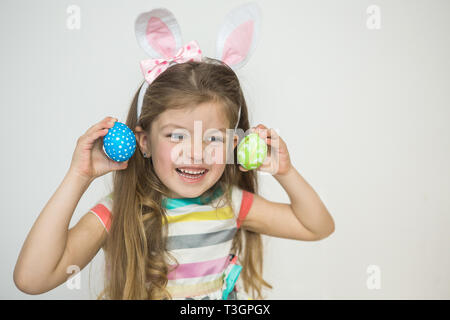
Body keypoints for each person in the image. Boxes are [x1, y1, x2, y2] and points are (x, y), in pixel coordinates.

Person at [13, 6, 335, 300]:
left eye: (213, 138)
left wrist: (285, 172)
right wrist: (78, 176)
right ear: (145, 142)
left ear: (234, 145)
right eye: (177, 135)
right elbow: (33, 278)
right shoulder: (120, 212)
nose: (196, 153)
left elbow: (317, 226)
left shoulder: (229, 204)